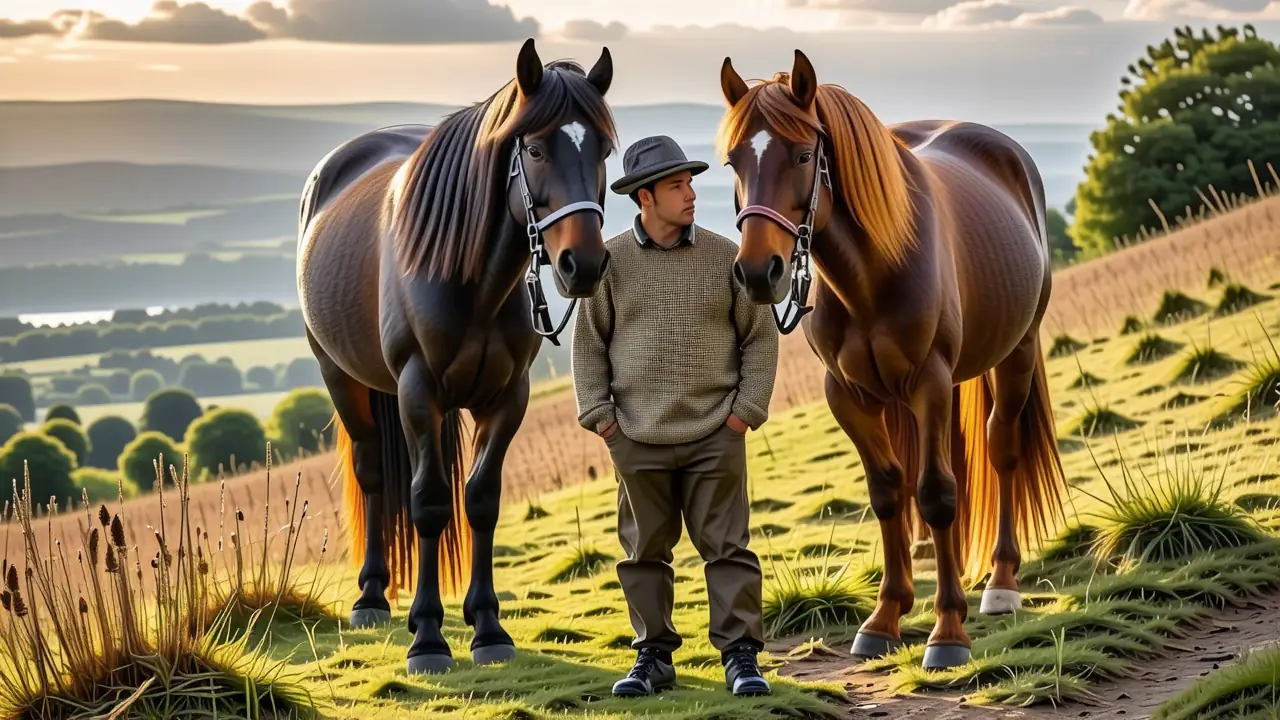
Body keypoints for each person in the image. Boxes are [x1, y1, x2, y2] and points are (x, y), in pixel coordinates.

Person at [571, 135, 779, 698]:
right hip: (636, 435)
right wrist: (603, 420)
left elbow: (760, 338)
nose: (691, 194)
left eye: (690, 183)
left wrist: (743, 414)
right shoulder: (609, 263)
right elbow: (588, 346)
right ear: (645, 197)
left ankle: (740, 659)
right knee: (643, 552)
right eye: (676, 185)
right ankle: (654, 658)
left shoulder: (724, 256)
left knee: (728, 548)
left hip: (717, 430)